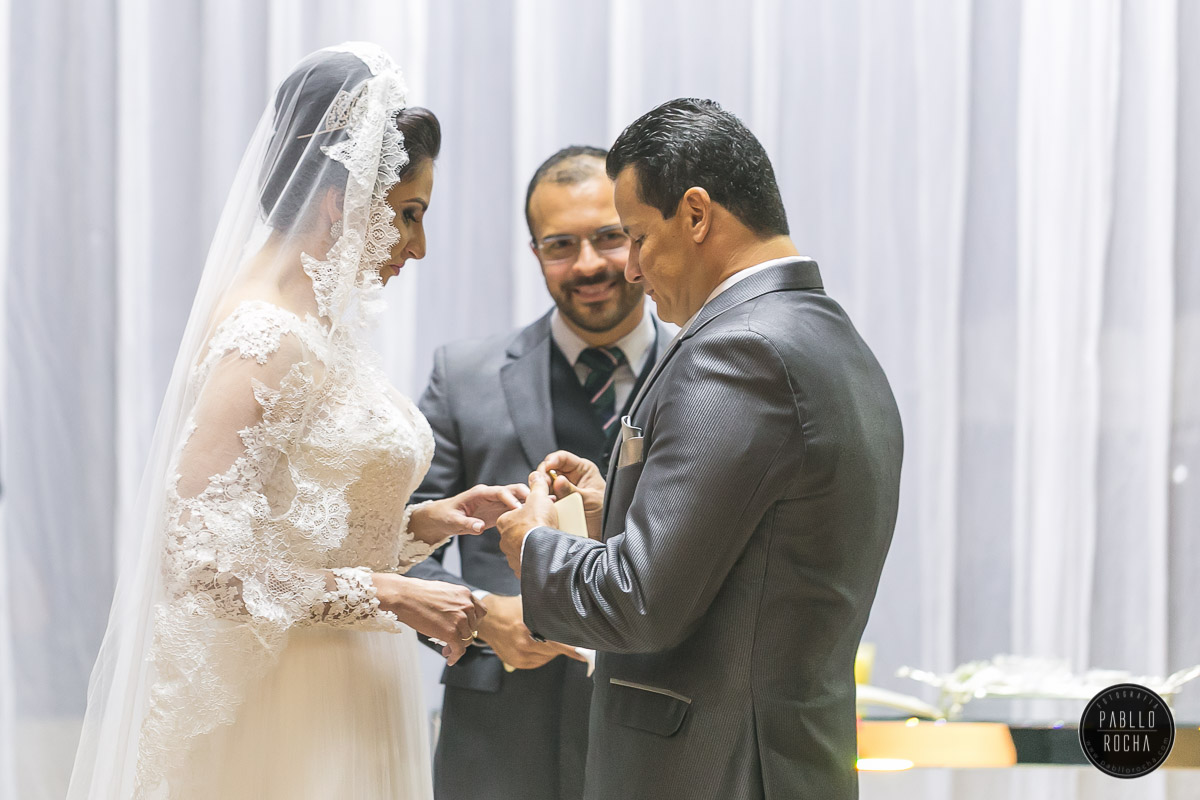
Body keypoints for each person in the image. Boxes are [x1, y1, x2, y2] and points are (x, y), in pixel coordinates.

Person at [67, 44, 525, 800]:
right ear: (340, 202)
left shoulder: (321, 330)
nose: (417, 246)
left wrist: (428, 523)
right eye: (407, 215)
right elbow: (203, 565)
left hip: (349, 679)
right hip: (288, 701)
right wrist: (389, 593)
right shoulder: (266, 336)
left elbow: (299, 524)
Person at [496, 98, 904, 799]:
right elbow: (755, 553)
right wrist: (616, 510)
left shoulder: (739, 350)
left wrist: (536, 544)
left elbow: (639, 601)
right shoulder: (828, 335)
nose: (630, 270)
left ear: (695, 214)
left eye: (636, 237)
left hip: (717, 771)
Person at [407, 145, 674, 800]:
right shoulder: (462, 376)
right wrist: (478, 616)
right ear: (535, 253)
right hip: (497, 736)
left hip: (662, 728)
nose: (587, 265)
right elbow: (391, 541)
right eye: (560, 245)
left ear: (638, 237)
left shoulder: (705, 367)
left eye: (609, 238)